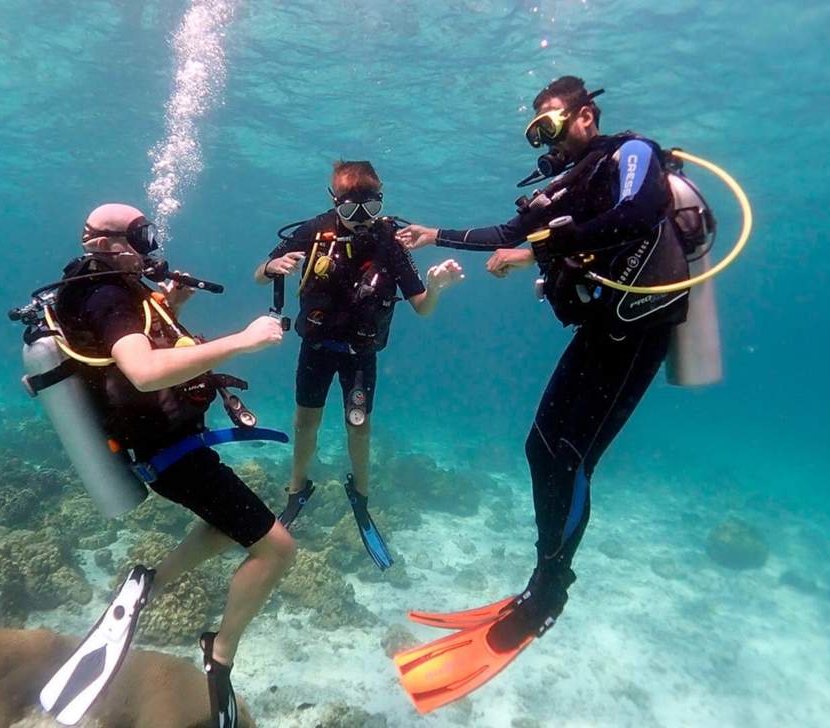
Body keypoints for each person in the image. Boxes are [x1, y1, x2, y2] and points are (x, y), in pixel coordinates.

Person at [392, 76, 691, 712]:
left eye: (551, 125)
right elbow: (508, 230)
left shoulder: (628, 153)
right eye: (536, 131)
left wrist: (544, 246)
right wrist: (433, 233)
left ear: (587, 115)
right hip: (606, 327)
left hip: (638, 329)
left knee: (572, 456)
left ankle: (550, 588)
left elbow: (638, 215)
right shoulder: (563, 187)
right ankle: (544, 570)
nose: (544, 139)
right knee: (540, 447)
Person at [34, 203, 294, 728]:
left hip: (172, 444)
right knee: (277, 550)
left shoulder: (105, 291)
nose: (150, 246)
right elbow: (144, 371)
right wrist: (242, 342)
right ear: (102, 243)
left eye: (148, 233)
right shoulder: (108, 294)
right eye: (139, 236)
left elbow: (125, 348)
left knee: (226, 530)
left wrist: (171, 302)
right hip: (167, 452)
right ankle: (220, 655)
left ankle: (148, 582)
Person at [253, 161, 463, 570]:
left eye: (371, 209)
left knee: (359, 427)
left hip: (361, 356)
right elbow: (260, 275)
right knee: (305, 423)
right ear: (334, 203)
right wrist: (269, 268)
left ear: (382, 202)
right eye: (351, 212)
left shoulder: (390, 241)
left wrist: (436, 289)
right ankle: (297, 489)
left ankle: (361, 493)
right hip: (316, 348)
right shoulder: (313, 232)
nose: (362, 221)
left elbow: (422, 307)